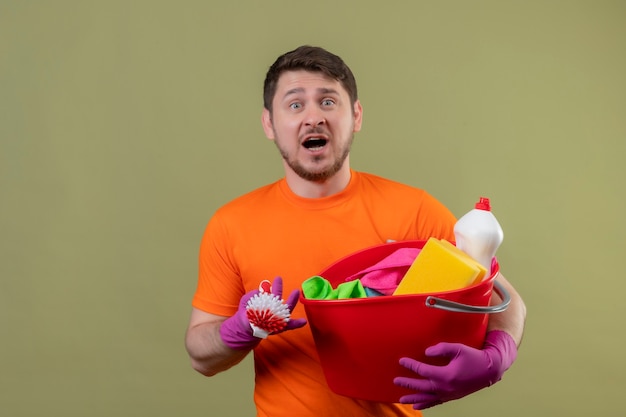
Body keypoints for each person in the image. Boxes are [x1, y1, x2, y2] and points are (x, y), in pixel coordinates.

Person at [185, 45, 526, 417]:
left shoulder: (415, 211)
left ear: (356, 115)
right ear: (269, 123)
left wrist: (497, 358)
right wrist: (240, 330)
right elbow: (202, 356)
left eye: (328, 102)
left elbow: (507, 301)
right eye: (295, 104)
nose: (313, 117)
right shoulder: (232, 224)